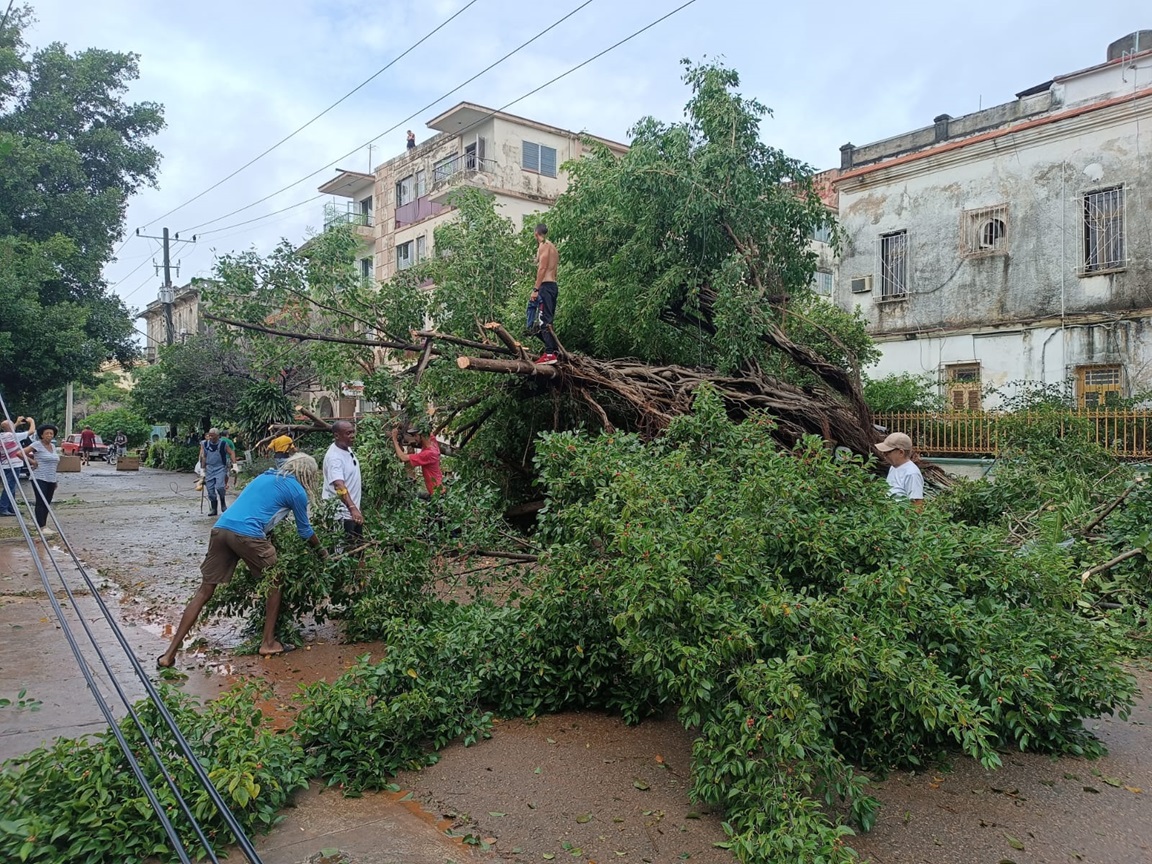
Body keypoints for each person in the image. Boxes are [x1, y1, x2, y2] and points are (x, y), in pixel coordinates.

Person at [157, 453, 325, 668]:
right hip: (247, 536)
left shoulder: (263, 477)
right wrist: (323, 554)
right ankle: (268, 642)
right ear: (307, 474)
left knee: (205, 591)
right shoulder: (296, 491)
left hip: (221, 529)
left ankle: (168, 655)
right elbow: (304, 531)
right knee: (276, 579)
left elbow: (256, 508)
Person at [322, 420, 364, 539]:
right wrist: (353, 508)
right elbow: (339, 486)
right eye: (348, 433)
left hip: (351, 514)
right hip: (340, 515)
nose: (352, 436)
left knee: (357, 551)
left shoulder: (345, 448)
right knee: (343, 553)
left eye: (353, 432)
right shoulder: (334, 458)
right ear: (336, 436)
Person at [531, 223, 560, 365]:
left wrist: (536, 290)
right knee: (549, 321)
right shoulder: (553, 247)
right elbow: (553, 268)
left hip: (546, 287)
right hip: (553, 286)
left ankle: (549, 354)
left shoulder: (544, 246)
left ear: (536, 233)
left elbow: (542, 267)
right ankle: (554, 351)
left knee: (544, 321)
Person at [23, 424, 60, 533]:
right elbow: (20, 453)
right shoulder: (37, 445)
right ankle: (41, 526)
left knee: (47, 502)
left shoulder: (53, 447)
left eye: (51, 433)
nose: (49, 435)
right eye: (47, 433)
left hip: (51, 478)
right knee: (41, 501)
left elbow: (53, 464)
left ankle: (44, 524)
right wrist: (32, 461)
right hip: (39, 476)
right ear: (42, 435)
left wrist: (55, 479)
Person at [390, 420, 442, 497]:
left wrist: (394, 439)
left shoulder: (428, 454)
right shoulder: (432, 441)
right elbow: (426, 430)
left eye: (415, 436)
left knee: (409, 496)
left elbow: (403, 457)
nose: (414, 438)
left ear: (422, 436)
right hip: (437, 490)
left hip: (437, 495)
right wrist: (400, 425)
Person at [875, 432, 924, 508]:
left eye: (887, 453)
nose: (884, 456)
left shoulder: (912, 474)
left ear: (901, 452)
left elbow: (917, 505)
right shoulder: (893, 467)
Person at [0, 416, 35, 516]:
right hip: (14, 464)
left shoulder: (2, 436)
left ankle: (11, 508)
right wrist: (31, 421)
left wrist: (16, 423)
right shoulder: (13, 436)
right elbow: (31, 431)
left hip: (5, 465)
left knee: (11, 487)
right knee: (10, 487)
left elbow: (9, 429)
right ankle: (3, 508)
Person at [199, 428, 235, 516]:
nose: (211, 438)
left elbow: (231, 452)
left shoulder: (223, 444)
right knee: (210, 490)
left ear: (218, 436)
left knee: (220, 487)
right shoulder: (205, 444)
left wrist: (235, 465)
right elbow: (203, 456)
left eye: (213, 436)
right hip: (209, 468)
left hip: (220, 468)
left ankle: (223, 502)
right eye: (210, 436)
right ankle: (214, 508)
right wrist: (202, 470)